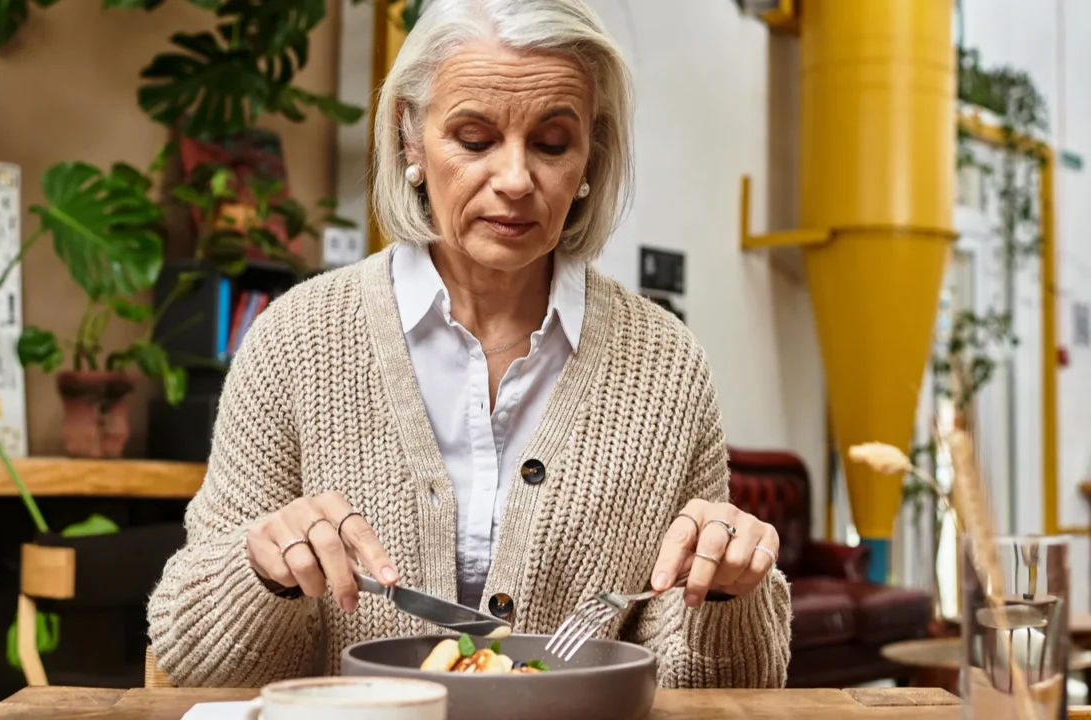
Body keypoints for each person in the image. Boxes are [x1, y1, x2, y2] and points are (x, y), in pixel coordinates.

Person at [148, 0, 791, 689]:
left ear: (591, 159)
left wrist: (721, 592)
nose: (515, 179)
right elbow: (191, 657)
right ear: (410, 141)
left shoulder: (668, 367)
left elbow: (710, 689)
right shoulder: (293, 339)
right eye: (475, 138)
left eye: (551, 143)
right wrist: (263, 572)